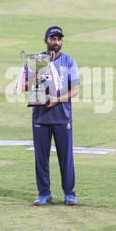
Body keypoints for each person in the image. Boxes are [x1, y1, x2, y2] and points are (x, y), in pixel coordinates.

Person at [32, 26, 80, 206]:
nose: (56, 42)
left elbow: (74, 90)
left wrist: (57, 99)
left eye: (59, 39)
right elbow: (29, 85)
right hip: (40, 116)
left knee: (66, 157)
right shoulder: (36, 61)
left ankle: (70, 193)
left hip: (62, 116)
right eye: (52, 38)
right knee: (41, 158)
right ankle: (44, 193)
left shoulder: (69, 62)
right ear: (46, 40)